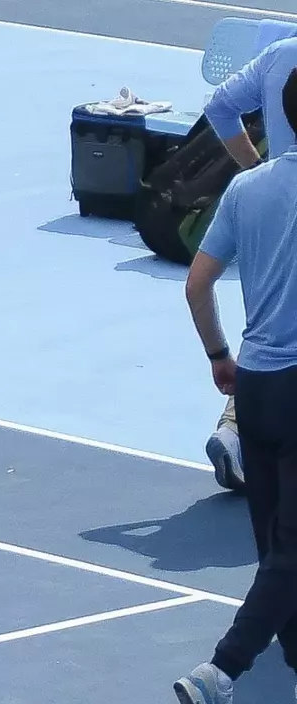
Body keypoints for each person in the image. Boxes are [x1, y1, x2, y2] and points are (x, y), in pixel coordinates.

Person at [174, 69, 297, 704]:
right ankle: (220, 675)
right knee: (291, 553)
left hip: (255, 385)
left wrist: (220, 356)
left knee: (278, 550)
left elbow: (197, 285)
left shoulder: (248, 186)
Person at [200, 34, 297, 493]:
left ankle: (235, 432)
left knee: (267, 329)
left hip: (268, 211)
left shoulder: (280, 55)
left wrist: (256, 171)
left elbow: (219, 107)